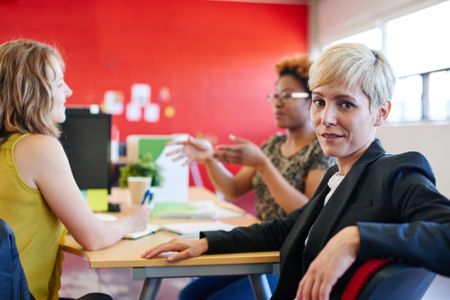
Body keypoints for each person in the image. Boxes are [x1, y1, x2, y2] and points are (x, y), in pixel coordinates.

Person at [143, 43, 450, 300]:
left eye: (345, 105)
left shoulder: (396, 172)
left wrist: (357, 237)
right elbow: (283, 229)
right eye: (319, 101)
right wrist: (207, 241)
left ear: (381, 112)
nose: (326, 118)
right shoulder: (336, 177)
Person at [167, 54, 333, 299]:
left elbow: (308, 214)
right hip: (260, 246)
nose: (277, 102)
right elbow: (234, 189)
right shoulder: (272, 146)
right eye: (274, 95)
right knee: (189, 295)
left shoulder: (320, 150)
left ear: (313, 100)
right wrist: (209, 158)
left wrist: (265, 166)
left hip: (289, 257)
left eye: (287, 95)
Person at [0, 39, 149, 300]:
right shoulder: (38, 147)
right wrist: (132, 220)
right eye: (58, 83)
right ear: (32, 92)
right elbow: (93, 237)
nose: (68, 91)